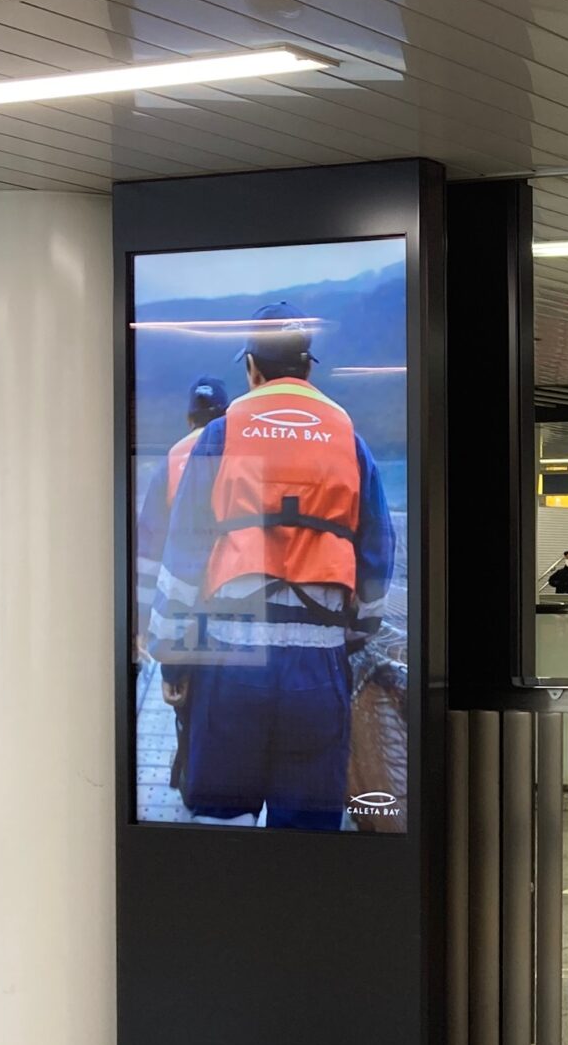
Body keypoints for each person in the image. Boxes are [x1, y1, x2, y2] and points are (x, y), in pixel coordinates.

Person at [148, 305, 396, 831]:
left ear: (252, 369)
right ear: (308, 368)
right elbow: (377, 557)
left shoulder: (222, 433)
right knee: (307, 833)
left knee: (222, 827)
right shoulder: (349, 440)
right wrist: (353, 639)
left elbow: (184, 556)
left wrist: (173, 664)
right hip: (318, 670)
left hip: (230, 666)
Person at [135, 375, 232, 792]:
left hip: (181, 606)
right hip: (235, 604)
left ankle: (190, 761)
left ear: (189, 415)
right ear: (226, 416)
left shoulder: (171, 461)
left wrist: (143, 623)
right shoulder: (239, 455)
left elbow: (148, 551)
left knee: (183, 691)